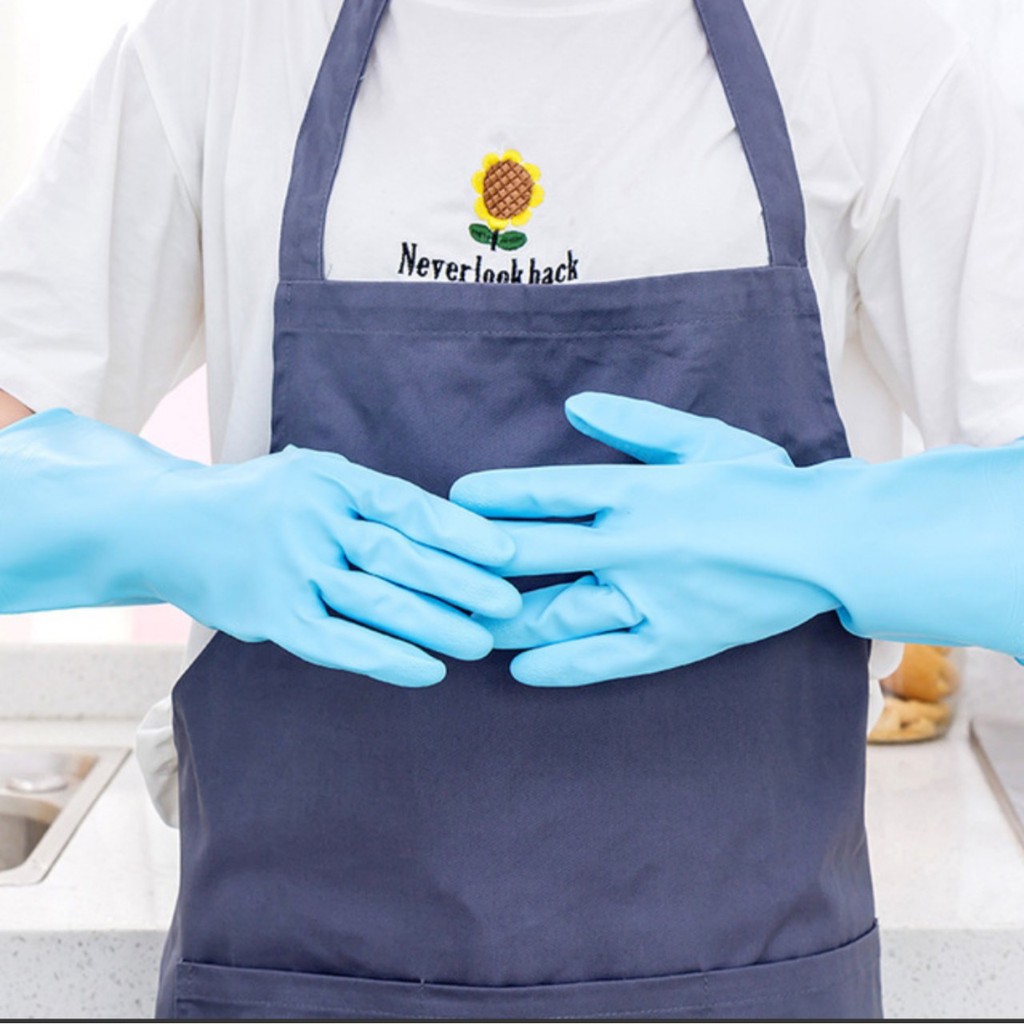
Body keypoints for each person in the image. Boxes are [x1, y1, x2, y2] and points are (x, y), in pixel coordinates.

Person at [1, 0, 1023, 1018]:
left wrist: (824, 537)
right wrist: (158, 519)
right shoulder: (225, 40)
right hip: (293, 981)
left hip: (750, 981)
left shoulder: (869, 48)